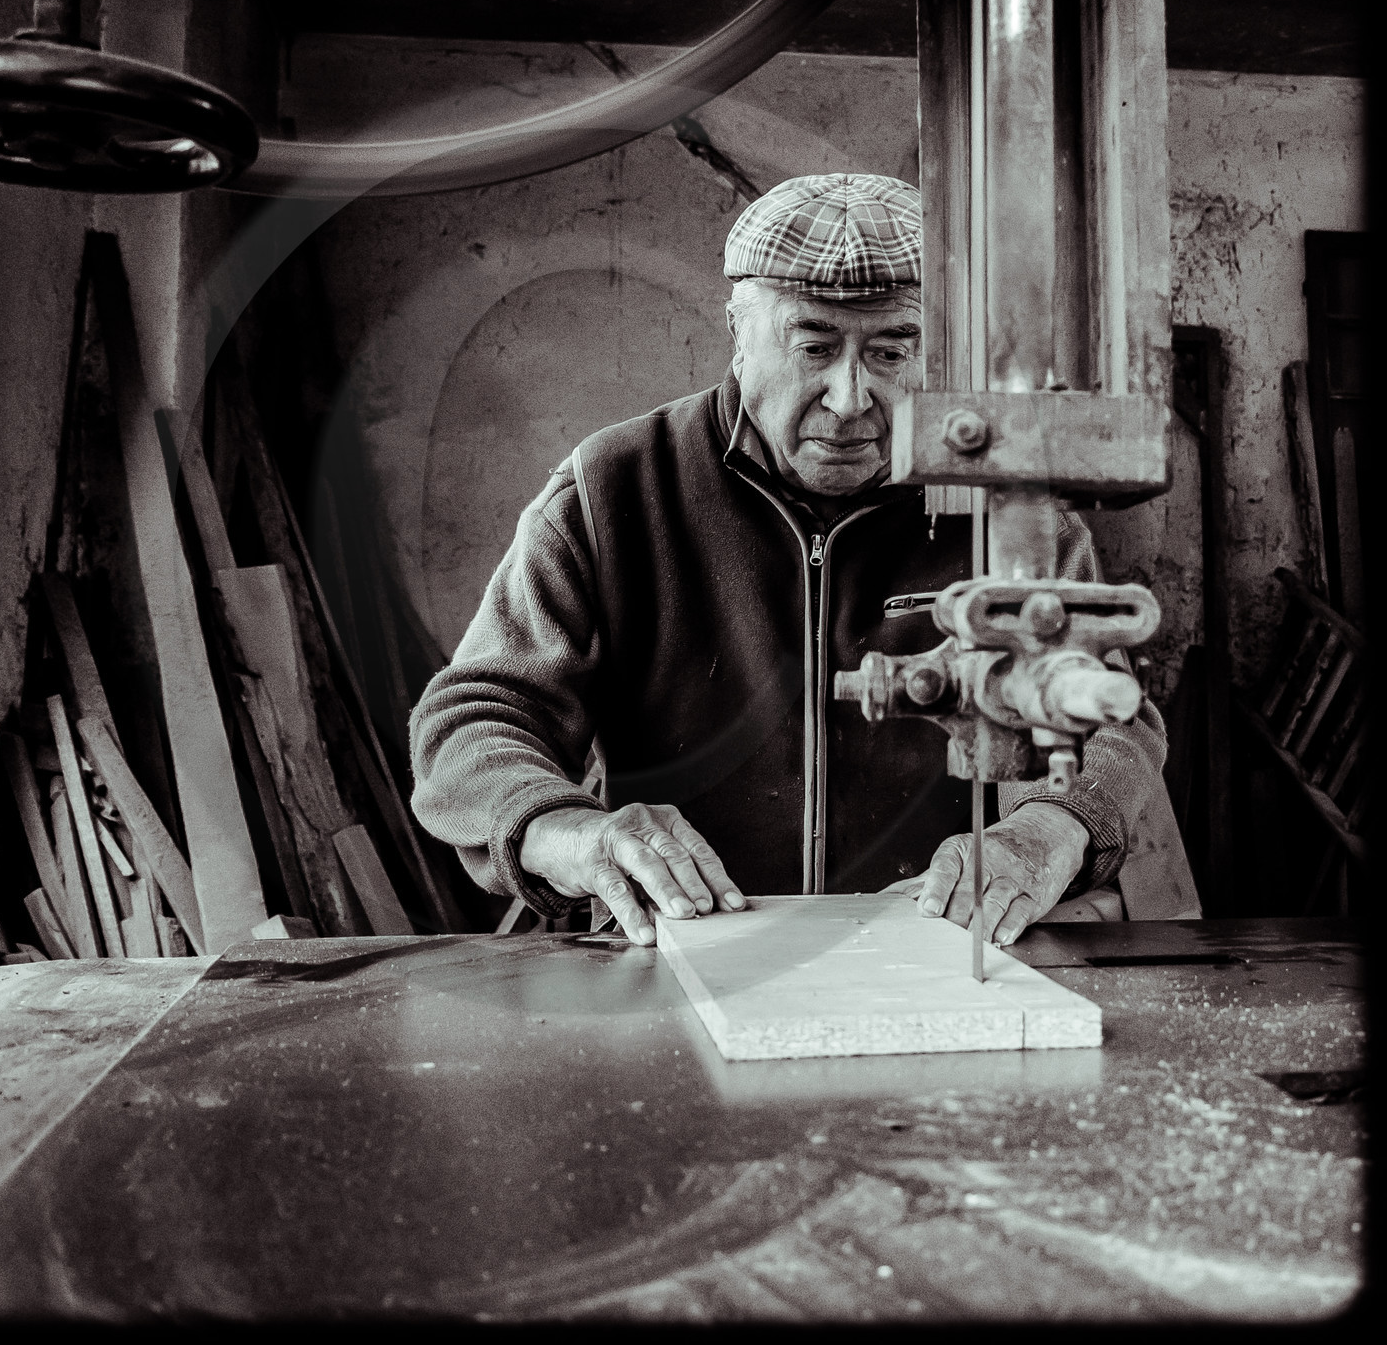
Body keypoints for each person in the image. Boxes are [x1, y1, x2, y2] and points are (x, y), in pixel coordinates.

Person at [409, 174, 1167, 946]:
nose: (849, 398)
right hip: (684, 954)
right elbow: (473, 720)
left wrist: (1044, 832)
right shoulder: (615, 486)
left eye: (891, 350)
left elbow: (1106, 712)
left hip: (933, 950)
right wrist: (569, 834)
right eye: (813, 347)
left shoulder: (1005, 507)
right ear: (739, 334)